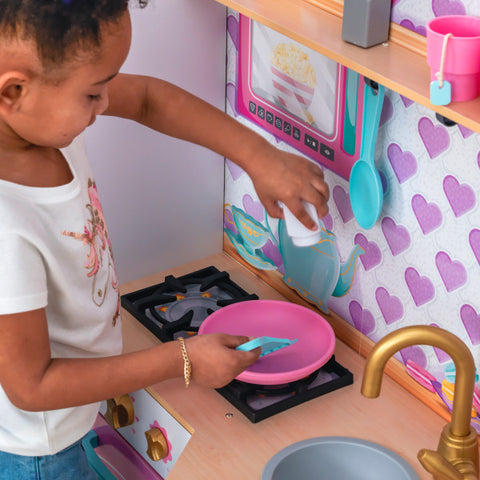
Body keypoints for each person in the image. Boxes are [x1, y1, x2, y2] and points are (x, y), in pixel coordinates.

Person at [0, 1, 330, 478]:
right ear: (14, 90)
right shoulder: (8, 225)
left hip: (63, 425)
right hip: (35, 456)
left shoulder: (42, 125)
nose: (108, 103)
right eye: (94, 94)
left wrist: (259, 156)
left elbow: (152, 99)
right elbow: (32, 386)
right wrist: (182, 358)